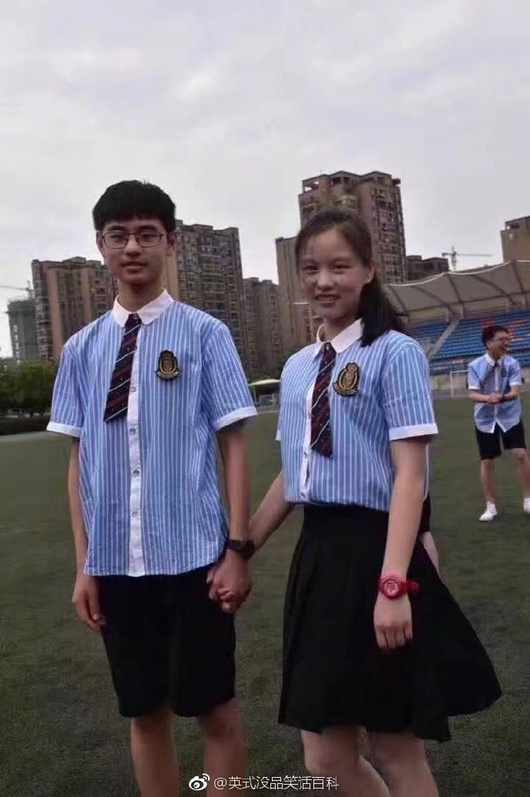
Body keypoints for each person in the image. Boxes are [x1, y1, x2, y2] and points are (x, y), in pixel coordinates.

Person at [224, 208, 501, 797]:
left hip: (380, 550)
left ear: (369, 271)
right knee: (324, 758)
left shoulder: (395, 353)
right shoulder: (297, 368)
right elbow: (295, 475)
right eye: (311, 268)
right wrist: (241, 547)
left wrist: (394, 584)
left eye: (339, 266)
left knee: (396, 747)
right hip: (318, 559)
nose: (324, 281)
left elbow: (410, 477)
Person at [46, 180, 257, 797]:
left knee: (215, 709)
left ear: (170, 242)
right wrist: (85, 566)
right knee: (144, 713)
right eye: (119, 236)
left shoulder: (205, 334)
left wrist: (236, 550)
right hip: (116, 563)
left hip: (195, 560)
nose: (132, 247)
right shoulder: (81, 350)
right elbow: (78, 462)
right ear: (101, 245)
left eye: (147, 234)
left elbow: (233, 445)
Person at [467, 324, 530, 522]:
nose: (506, 343)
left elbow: (515, 392)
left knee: (520, 454)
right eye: (502, 339)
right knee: (487, 461)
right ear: (489, 343)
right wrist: (487, 398)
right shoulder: (474, 366)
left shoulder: (512, 364)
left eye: (507, 339)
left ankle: (528, 499)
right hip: (485, 419)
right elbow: (472, 394)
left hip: (509, 415)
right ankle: (490, 506)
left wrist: (500, 398)